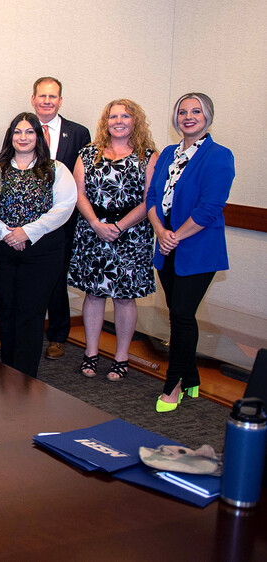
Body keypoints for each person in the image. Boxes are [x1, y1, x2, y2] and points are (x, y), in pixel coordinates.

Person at [146, 93, 233, 412]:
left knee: (182, 314)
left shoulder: (219, 156)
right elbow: (153, 195)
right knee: (179, 315)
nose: (188, 116)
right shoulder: (168, 152)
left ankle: (174, 383)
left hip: (197, 249)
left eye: (196, 111)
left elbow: (210, 208)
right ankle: (193, 376)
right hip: (167, 244)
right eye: (182, 111)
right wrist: (160, 232)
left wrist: (175, 237)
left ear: (208, 116)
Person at [68, 99, 158, 381]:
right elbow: (78, 193)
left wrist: (118, 227)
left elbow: (149, 200)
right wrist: (96, 223)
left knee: (124, 298)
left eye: (125, 116)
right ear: (105, 122)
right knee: (94, 294)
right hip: (92, 232)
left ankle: (121, 357)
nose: (118, 121)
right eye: (112, 116)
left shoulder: (148, 156)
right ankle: (91, 353)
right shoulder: (88, 153)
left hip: (131, 234)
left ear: (135, 121)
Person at [0, 112, 76, 378]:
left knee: (31, 312)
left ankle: (25, 377)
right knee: (7, 310)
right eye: (17, 132)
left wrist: (26, 232)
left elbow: (65, 207)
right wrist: (6, 232)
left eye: (29, 132)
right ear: (10, 136)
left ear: (38, 136)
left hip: (42, 251)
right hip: (3, 248)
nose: (23, 137)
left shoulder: (55, 168)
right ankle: (7, 372)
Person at [30, 77, 91, 359]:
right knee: (26, 278)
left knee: (56, 278)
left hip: (64, 219)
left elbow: (84, 180)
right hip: (28, 220)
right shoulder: (22, 128)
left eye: (52, 96)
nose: (47, 101)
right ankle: (23, 331)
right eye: (42, 96)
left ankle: (58, 336)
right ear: (33, 99)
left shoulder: (78, 134)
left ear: (60, 101)